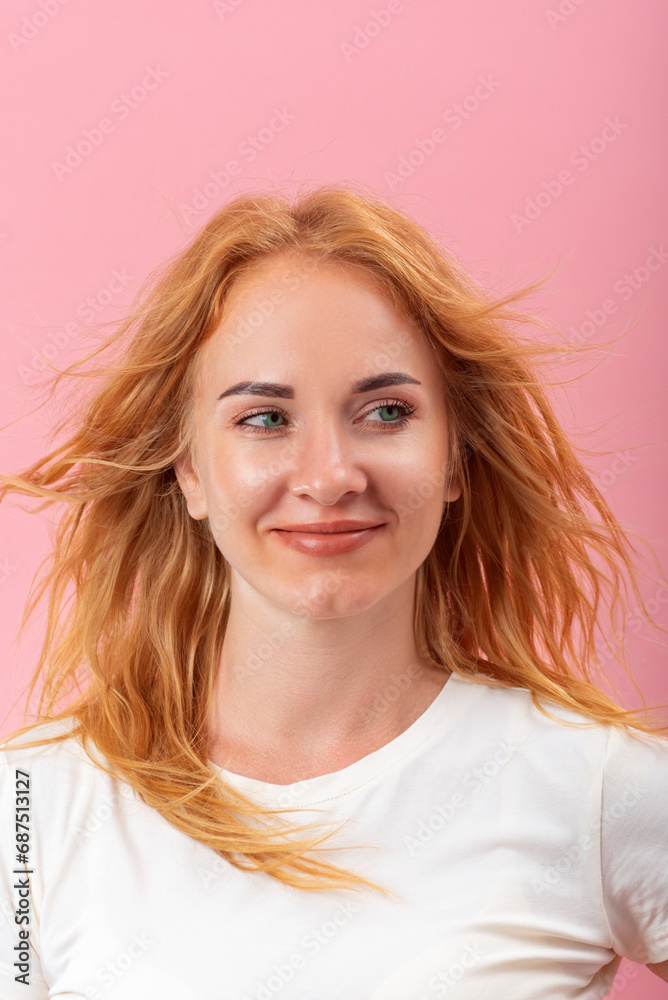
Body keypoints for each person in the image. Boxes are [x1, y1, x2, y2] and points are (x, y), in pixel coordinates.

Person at [0, 183, 667, 999]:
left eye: (386, 412)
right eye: (265, 420)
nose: (329, 477)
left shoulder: (596, 788)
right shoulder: (29, 807)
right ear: (189, 471)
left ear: (457, 460)